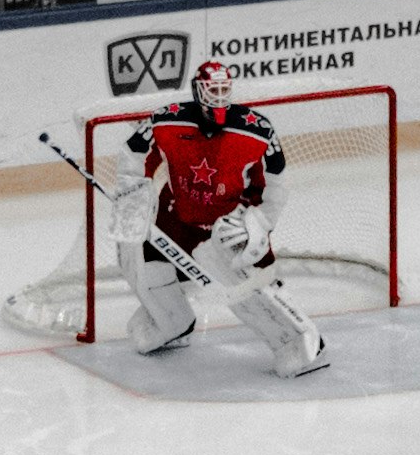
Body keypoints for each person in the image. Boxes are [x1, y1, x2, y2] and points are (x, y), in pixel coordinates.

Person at [112, 57, 327, 375]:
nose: (219, 96)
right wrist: (133, 194)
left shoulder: (257, 129)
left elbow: (276, 185)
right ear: (198, 90)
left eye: (224, 89)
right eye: (212, 89)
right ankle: (171, 323)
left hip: (226, 226)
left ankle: (301, 341)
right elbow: (134, 152)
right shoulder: (166, 120)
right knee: (141, 264)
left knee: (246, 293)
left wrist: (258, 222)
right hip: (175, 215)